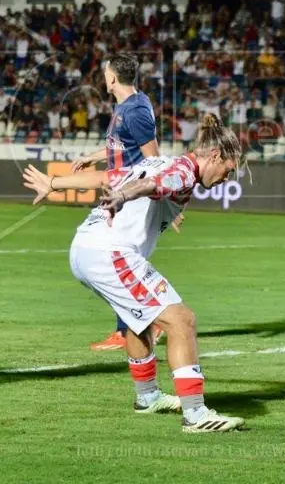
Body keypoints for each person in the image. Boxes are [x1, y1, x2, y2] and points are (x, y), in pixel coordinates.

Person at [23, 114, 245, 433]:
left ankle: (148, 397)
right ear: (215, 156)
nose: (227, 177)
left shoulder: (160, 163)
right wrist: (125, 196)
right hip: (109, 251)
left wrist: (54, 184)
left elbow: (106, 179)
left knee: (137, 318)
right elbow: (152, 186)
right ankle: (196, 415)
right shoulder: (182, 171)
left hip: (86, 246)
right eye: (229, 169)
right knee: (182, 320)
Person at [70, 54, 171, 351]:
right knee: (116, 258)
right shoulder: (127, 107)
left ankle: (142, 323)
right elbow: (120, 148)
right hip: (122, 194)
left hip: (133, 198)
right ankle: (135, 323)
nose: (104, 78)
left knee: (116, 258)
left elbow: (154, 158)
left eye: (105, 73)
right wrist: (90, 156)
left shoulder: (135, 111)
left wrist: (164, 197)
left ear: (112, 78)